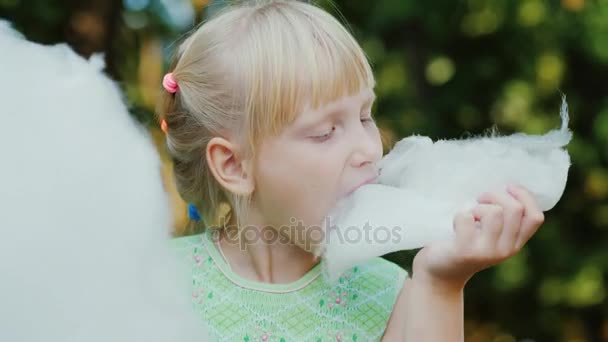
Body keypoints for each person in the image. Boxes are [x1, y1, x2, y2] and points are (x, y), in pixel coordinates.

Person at [160, 1, 546, 340]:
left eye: (365, 116)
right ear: (234, 166)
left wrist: (442, 282)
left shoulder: (394, 297)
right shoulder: (154, 282)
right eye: (326, 132)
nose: (367, 149)